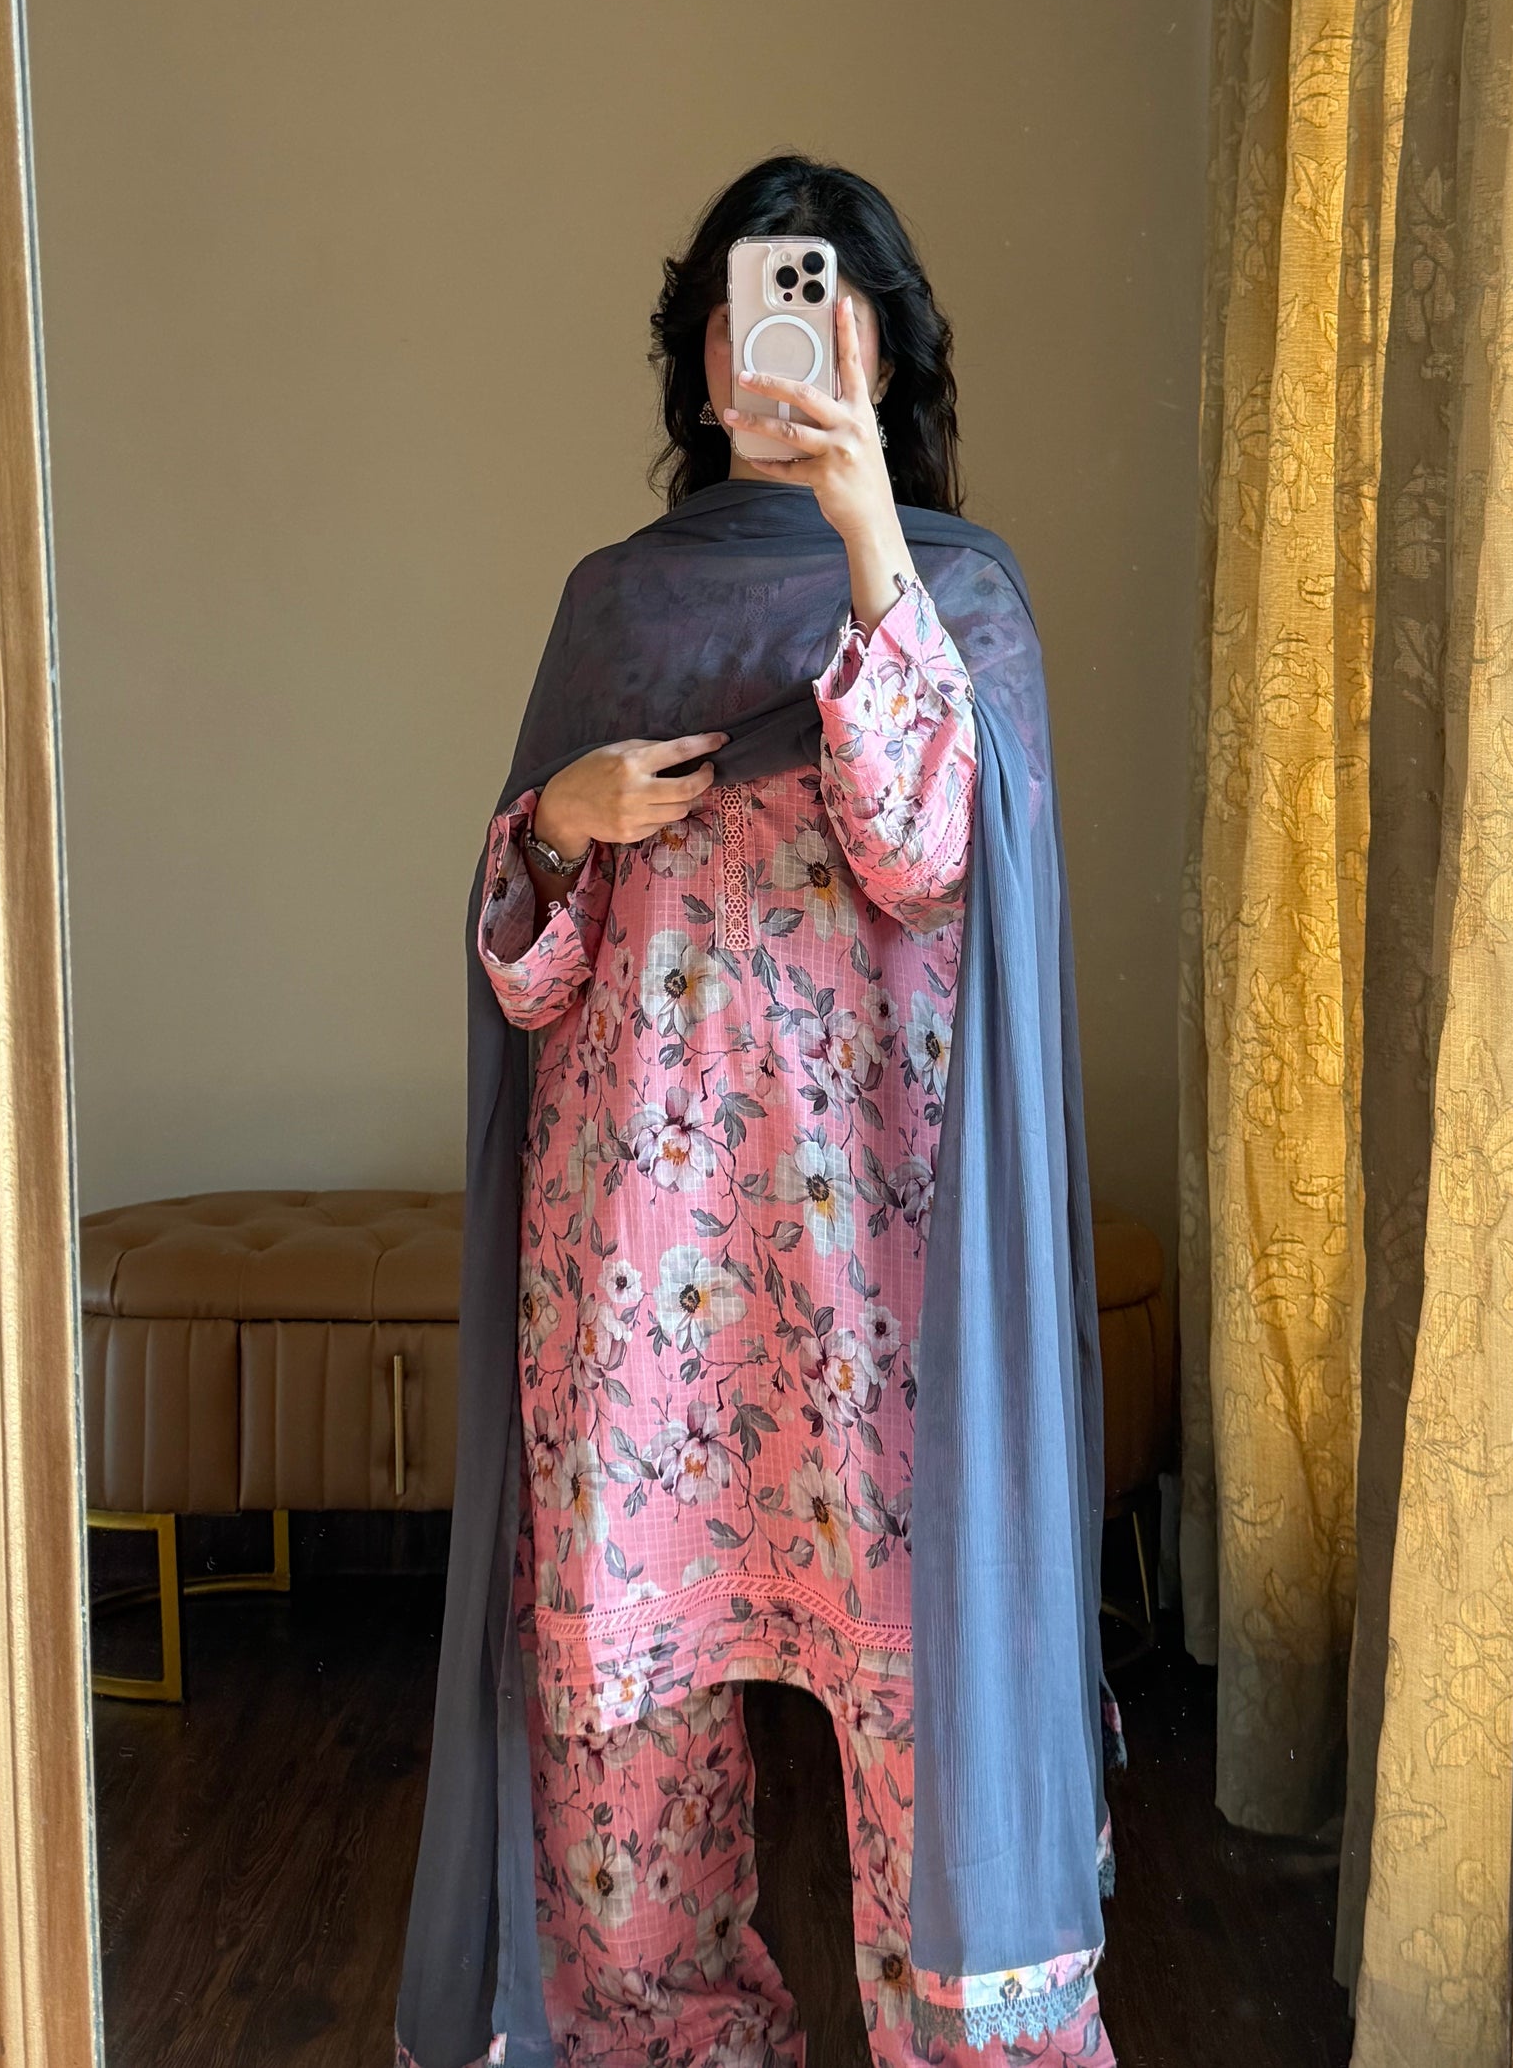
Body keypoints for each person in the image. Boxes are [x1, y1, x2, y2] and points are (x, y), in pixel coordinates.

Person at [397, 157, 1114, 2068]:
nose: (771, 339)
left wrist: (869, 534)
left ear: (879, 343)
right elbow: (529, 979)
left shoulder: (958, 595)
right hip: (640, 1262)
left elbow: (930, 850)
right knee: (626, 1757)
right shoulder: (614, 607)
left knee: (925, 1714)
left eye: (812, 300)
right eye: (739, 307)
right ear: (701, 357)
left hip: (882, 1271)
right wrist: (557, 824)